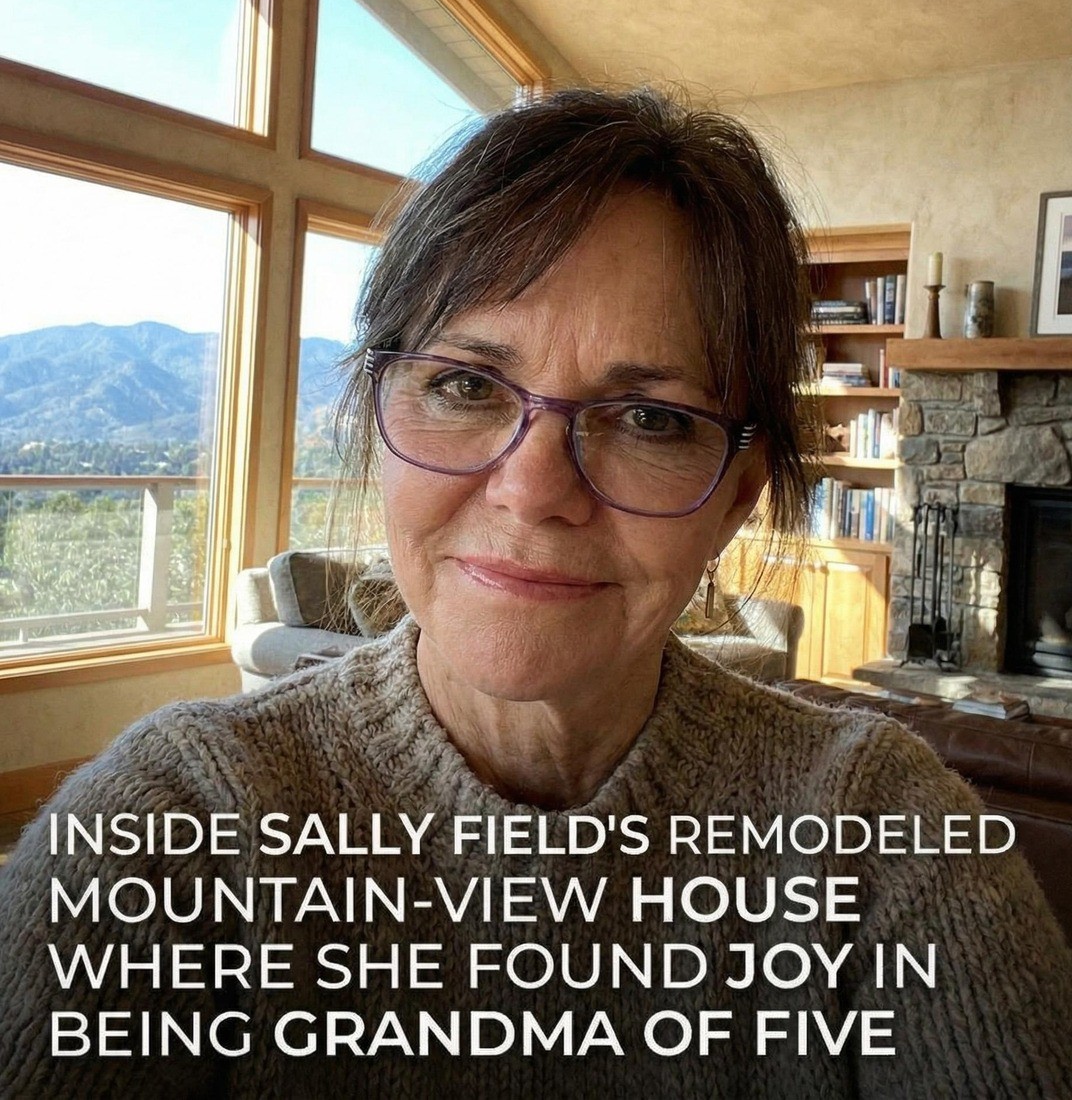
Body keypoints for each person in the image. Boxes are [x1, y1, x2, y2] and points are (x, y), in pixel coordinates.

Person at [1, 87, 1070, 1099]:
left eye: (649, 418)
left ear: (738, 497)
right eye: (465, 385)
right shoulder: (174, 824)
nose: (532, 490)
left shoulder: (881, 833)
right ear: (376, 415)